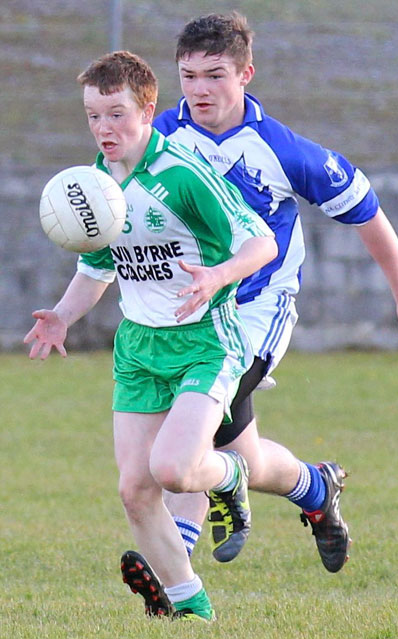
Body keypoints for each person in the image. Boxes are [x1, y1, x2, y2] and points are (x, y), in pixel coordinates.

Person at [148, 10, 398, 582]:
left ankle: (174, 562)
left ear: (246, 73)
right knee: (245, 459)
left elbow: (368, 213)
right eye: (188, 76)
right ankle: (315, 485)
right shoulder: (157, 137)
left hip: (260, 307)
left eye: (215, 75)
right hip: (189, 311)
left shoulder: (282, 150)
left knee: (191, 433)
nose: (200, 89)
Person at [24, 50, 279, 622]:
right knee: (135, 492)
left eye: (115, 115)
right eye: (93, 116)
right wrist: (64, 315)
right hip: (138, 348)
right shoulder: (96, 181)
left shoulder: (183, 174)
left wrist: (216, 274)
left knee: (174, 469)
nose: (103, 129)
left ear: (148, 108)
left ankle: (232, 474)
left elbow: (260, 243)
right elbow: (97, 267)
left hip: (205, 339)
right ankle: (191, 610)